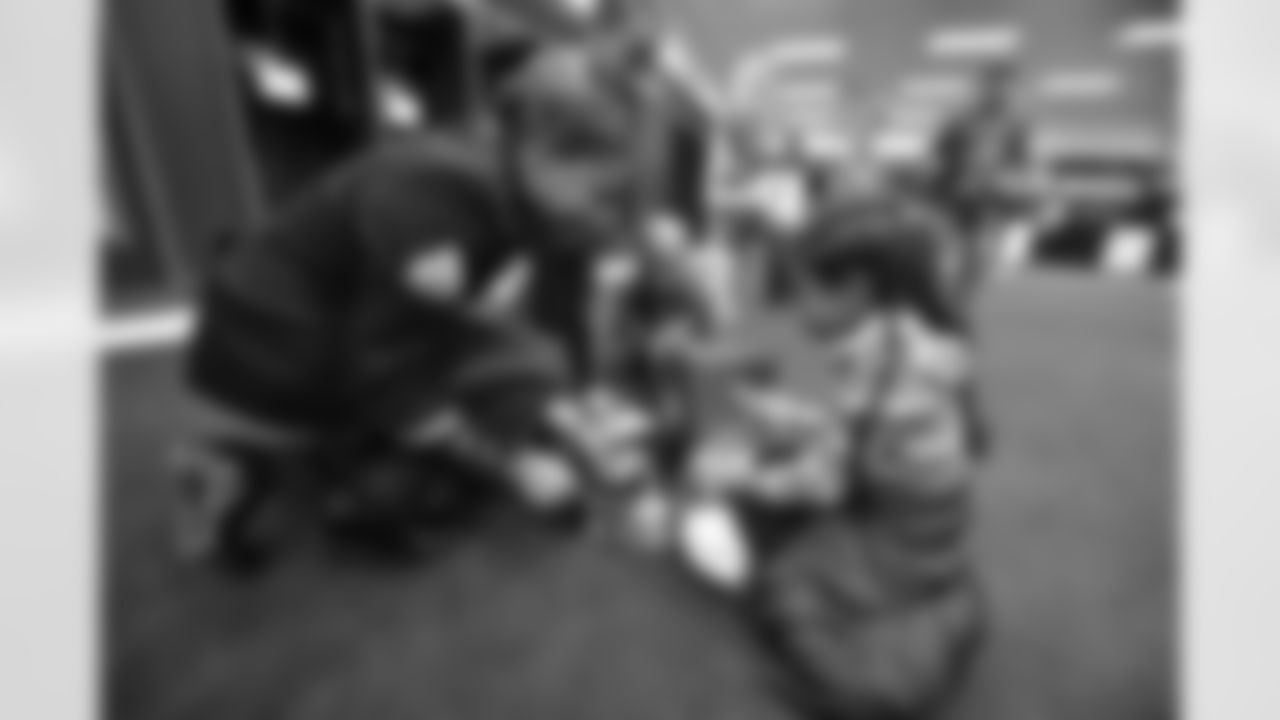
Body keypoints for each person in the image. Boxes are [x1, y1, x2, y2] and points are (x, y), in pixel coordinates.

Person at [172, 43, 654, 572]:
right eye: (604, 193)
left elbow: (559, 294)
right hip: (271, 346)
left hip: (341, 317)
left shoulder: (514, 163)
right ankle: (262, 466)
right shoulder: (437, 208)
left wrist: (579, 400)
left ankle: (357, 443)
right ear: (543, 151)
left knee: (530, 360)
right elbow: (391, 375)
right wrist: (510, 464)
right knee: (420, 488)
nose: (609, 214)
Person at [741, 200, 989, 720]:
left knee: (783, 583)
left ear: (855, 289)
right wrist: (779, 414)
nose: (795, 307)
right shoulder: (907, 336)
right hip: (932, 520)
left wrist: (748, 477)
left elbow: (824, 479)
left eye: (803, 291)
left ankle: (872, 670)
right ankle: (927, 594)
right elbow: (853, 431)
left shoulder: (877, 366)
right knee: (792, 499)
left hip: (904, 536)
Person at [931, 61, 1031, 313]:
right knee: (951, 252)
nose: (998, 90)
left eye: (1005, 85)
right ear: (982, 86)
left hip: (991, 197)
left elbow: (1019, 161)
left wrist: (1013, 186)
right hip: (956, 195)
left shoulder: (1015, 125)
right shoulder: (960, 119)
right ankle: (944, 301)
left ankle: (956, 302)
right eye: (993, 84)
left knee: (978, 258)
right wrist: (945, 187)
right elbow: (940, 154)